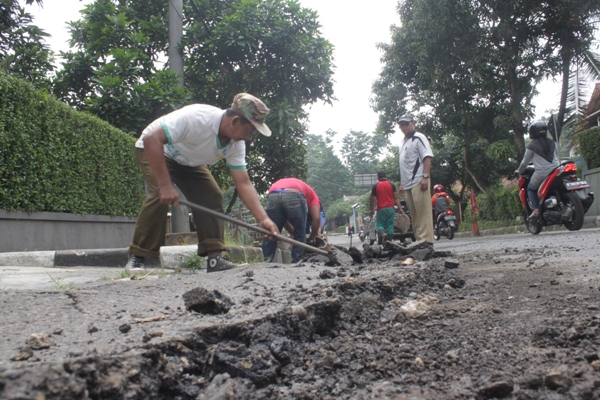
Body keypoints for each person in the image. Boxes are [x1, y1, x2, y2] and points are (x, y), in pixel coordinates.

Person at [126, 93, 279, 273]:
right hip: (156, 150)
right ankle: (139, 257)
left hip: (189, 162)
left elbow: (243, 183)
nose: (250, 136)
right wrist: (165, 185)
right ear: (235, 121)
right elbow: (152, 139)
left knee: (211, 195)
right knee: (159, 196)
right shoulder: (197, 118)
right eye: (250, 130)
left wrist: (263, 219)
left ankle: (215, 259)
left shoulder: (235, 144)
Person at [261, 178, 321, 263]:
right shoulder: (314, 196)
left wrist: (293, 232)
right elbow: (317, 219)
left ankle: (265, 261)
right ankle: (296, 263)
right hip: (294, 194)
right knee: (300, 232)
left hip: (273, 195)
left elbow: (283, 219)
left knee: (271, 232)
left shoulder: (294, 183)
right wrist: (312, 236)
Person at [397, 114, 435, 245]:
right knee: (414, 215)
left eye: (406, 124)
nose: (404, 127)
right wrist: (402, 183)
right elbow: (404, 165)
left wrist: (425, 176)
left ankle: (426, 241)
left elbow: (427, 157)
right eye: (401, 125)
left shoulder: (419, 137)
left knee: (423, 212)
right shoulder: (402, 143)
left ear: (413, 123)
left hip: (419, 180)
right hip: (407, 184)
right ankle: (419, 240)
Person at [516, 121, 560, 219]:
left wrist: (519, 171)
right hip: (557, 171)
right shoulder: (553, 143)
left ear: (532, 132)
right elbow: (556, 156)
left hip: (542, 173)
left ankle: (535, 209)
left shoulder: (531, 146)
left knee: (530, 189)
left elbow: (524, 163)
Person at [369, 170, 403, 245]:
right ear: (386, 176)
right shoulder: (392, 185)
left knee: (380, 225)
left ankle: (383, 234)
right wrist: (400, 208)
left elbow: (372, 199)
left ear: (378, 177)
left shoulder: (375, 186)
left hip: (381, 209)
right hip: (391, 208)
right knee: (390, 225)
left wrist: (371, 209)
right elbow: (396, 198)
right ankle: (389, 242)